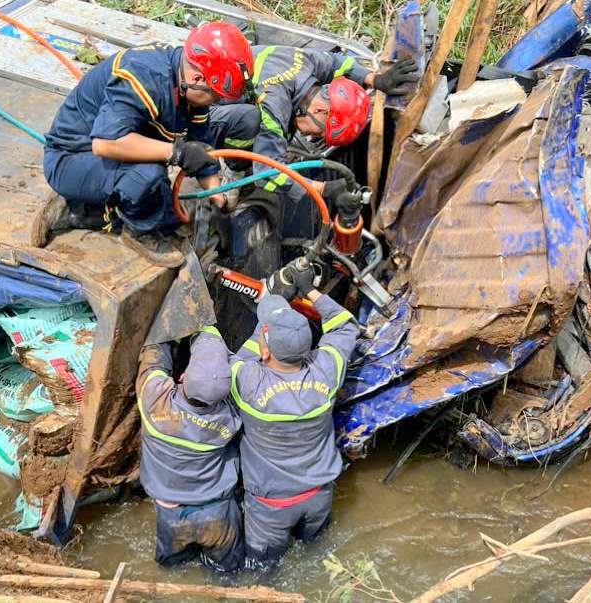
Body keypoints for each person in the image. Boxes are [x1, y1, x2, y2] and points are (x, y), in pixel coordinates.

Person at [38, 22, 254, 267]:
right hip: (71, 158)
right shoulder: (145, 78)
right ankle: (130, 229)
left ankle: (97, 203)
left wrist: (217, 195)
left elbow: (200, 139)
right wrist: (177, 152)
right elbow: (105, 144)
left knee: (167, 206)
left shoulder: (186, 81)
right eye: (214, 95)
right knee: (148, 177)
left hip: (111, 152)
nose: (214, 101)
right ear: (196, 77)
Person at [229, 258, 360, 568]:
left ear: (265, 349)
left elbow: (235, 360)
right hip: (318, 496)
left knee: (263, 571)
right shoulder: (327, 371)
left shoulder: (248, 384)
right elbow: (344, 323)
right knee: (319, 560)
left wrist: (263, 329)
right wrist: (309, 291)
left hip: (270, 508)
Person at [208, 46, 417, 204]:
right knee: (252, 124)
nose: (315, 137)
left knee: (272, 129)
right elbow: (267, 174)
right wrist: (324, 189)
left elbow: (337, 63)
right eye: (321, 130)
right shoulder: (275, 104)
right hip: (209, 110)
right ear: (318, 110)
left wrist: (375, 80)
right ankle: (234, 167)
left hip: (239, 78)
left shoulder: (306, 65)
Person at [137, 325, 245, 572]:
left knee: (172, 570)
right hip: (218, 514)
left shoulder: (155, 402)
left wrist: (179, 322)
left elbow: (153, 360)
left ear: (183, 377)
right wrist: (208, 331)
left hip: (170, 512)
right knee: (227, 574)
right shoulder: (231, 418)